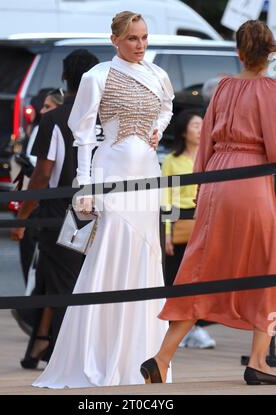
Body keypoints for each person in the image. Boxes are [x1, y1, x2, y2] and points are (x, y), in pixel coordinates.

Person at [33, 11, 174, 388]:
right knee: (108, 258)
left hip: (146, 176)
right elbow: (82, 134)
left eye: (144, 37)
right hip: (109, 175)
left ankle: (139, 357)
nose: (140, 45)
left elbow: (167, 107)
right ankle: (98, 354)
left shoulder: (158, 74)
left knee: (145, 258)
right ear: (115, 40)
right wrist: (85, 184)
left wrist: (158, 130)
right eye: (132, 38)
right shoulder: (96, 77)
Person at [140, 19, 276, 386]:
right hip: (251, 181)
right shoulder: (270, 90)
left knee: (201, 270)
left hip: (216, 179)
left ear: (239, 51)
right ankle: (260, 360)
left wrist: (203, 186)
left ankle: (162, 358)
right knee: (266, 267)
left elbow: (204, 149)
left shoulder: (223, 87)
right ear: (271, 52)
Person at [11, 49, 99, 369]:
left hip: (58, 210)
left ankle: (65, 357)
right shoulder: (102, 116)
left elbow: (43, 173)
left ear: (65, 77)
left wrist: (23, 215)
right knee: (58, 277)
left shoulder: (54, 119)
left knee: (62, 282)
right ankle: (38, 348)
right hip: (90, 209)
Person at [11, 88, 65, 337]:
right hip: (40, 207)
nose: (42, 112)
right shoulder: (42, 128)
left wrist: (23, 216)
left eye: (48, 107)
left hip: (47, 209)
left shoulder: (55, 126)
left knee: (43, 269)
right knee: (36, 267)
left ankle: (35, 321)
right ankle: (37, 325)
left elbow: (41, 174)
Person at [162, 109, 216, 349]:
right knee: (177, 277)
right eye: (196, 126)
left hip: (205, 219)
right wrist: (166, 232)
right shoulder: (172, 161)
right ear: (184, 132)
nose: (200, 129)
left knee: (203, 275)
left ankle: (196, 327)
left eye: (203, 125)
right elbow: (168, 197)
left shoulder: (211, 157)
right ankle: (181, 328)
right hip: (180, 221)